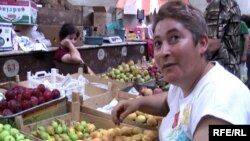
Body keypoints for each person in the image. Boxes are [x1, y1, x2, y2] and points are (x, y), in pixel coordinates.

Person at [111, 1, 250, 141]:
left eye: (174, 38)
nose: (163, 52)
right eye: (158, 43)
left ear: (202, 43)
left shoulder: (219, 104)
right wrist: (138, 103)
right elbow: (168, 101)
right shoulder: (186, 82)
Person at [204, 0, 241, 78]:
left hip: (219, 69)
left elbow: (212, 44)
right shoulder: (232, 3)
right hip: (232, 67)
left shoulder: (218, 5)